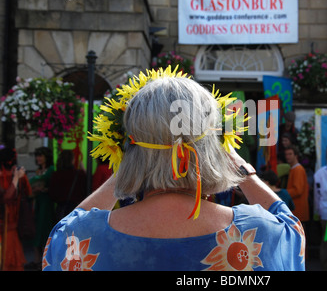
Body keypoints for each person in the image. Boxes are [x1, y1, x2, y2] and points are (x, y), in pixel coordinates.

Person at [42, 70, 306, 271]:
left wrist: (127, 168)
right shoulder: (259, 235)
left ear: (129, 150)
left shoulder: (78, 238)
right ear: (211, 149)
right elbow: (293, 231)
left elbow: (61, 231)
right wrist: (242, 168)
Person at [0, 145, 31, 271]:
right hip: (8, 226)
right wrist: (17, 178)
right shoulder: (15, 176)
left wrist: (18, 178)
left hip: (10, 226)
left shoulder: (14, 175)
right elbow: (6, 198)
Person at [27, 146, 55, 270]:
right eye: (37, 156)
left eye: (40, 155)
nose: (38, 158)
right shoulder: (39, 171)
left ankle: (44, 261)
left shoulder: (51, 170)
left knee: (45, 230)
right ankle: (37, 260)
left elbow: (54, 187)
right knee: (36, 229)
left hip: (47, 204)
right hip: (37, 203)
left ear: (46, 157)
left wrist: (43, 189)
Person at [49, 150, 87, 221]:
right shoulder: (79, 174)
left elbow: (52, 194)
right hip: (77, 207)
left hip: (61, 208)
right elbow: (86, 188)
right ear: (72, 160)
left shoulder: (56, 175)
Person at [284, 146, 309, 224]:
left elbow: (297, 190)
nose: (287, 156)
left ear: (296, 156)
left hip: (298, 210)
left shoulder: (298, 169)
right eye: (286, 154)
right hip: (296, 210)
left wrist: (283, 193)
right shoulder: (294, 168)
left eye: (290, 154)